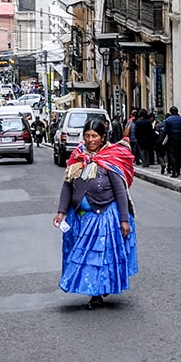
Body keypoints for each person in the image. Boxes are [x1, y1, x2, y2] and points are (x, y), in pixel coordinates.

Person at [53, 118, 138, 309]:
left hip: (103, 215)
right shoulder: (77, 157)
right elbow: (67, 186)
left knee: (97, 257)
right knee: (84, 255)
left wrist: (124, 220)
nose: (90, 139)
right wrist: (61, 212)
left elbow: (120, 191)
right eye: (87, 136)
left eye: (94, 136)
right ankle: (99, 288)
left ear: (102, 137)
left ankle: (96, 294)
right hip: (79, 216)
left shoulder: (110, 158)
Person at [161, 106, 181, 177]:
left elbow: (165, 131)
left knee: (172, 155)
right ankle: (178, 170)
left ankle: (174, 171)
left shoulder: (168, 120)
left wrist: (162, 139)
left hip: (172, 139)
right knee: (180, 155)